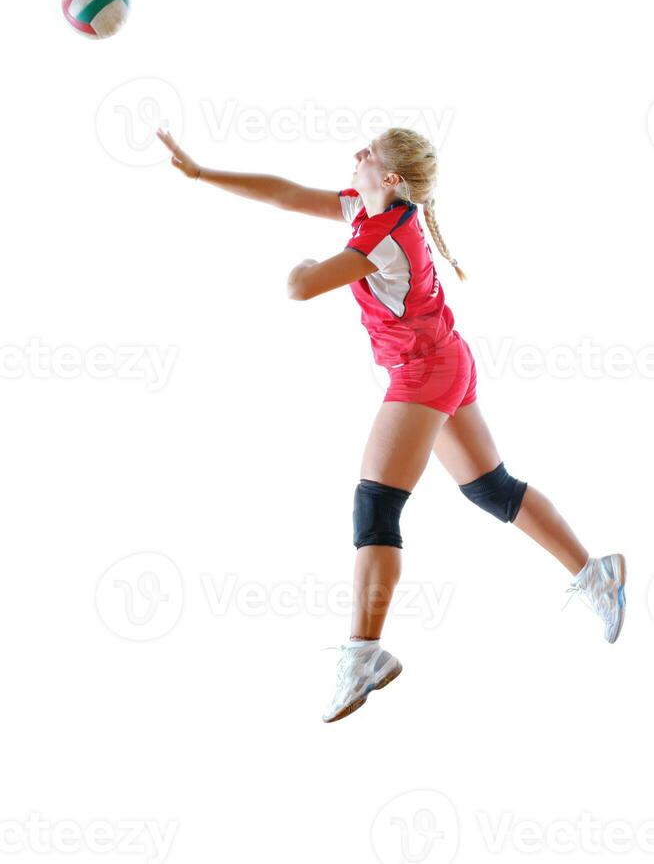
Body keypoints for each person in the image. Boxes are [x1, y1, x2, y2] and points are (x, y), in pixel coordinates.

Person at [157, 125, 627, 724]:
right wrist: (202, 173)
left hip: (425, 371)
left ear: (391, 178)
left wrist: (301, 265)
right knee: (491, 489)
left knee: (375, 510)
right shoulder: (375, 207)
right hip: (443, 359)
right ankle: (597, 574)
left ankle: (364, 655)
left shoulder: (384, 232)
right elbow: (284, 192)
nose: (358, 155)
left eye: (369, 154)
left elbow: (301, 287)